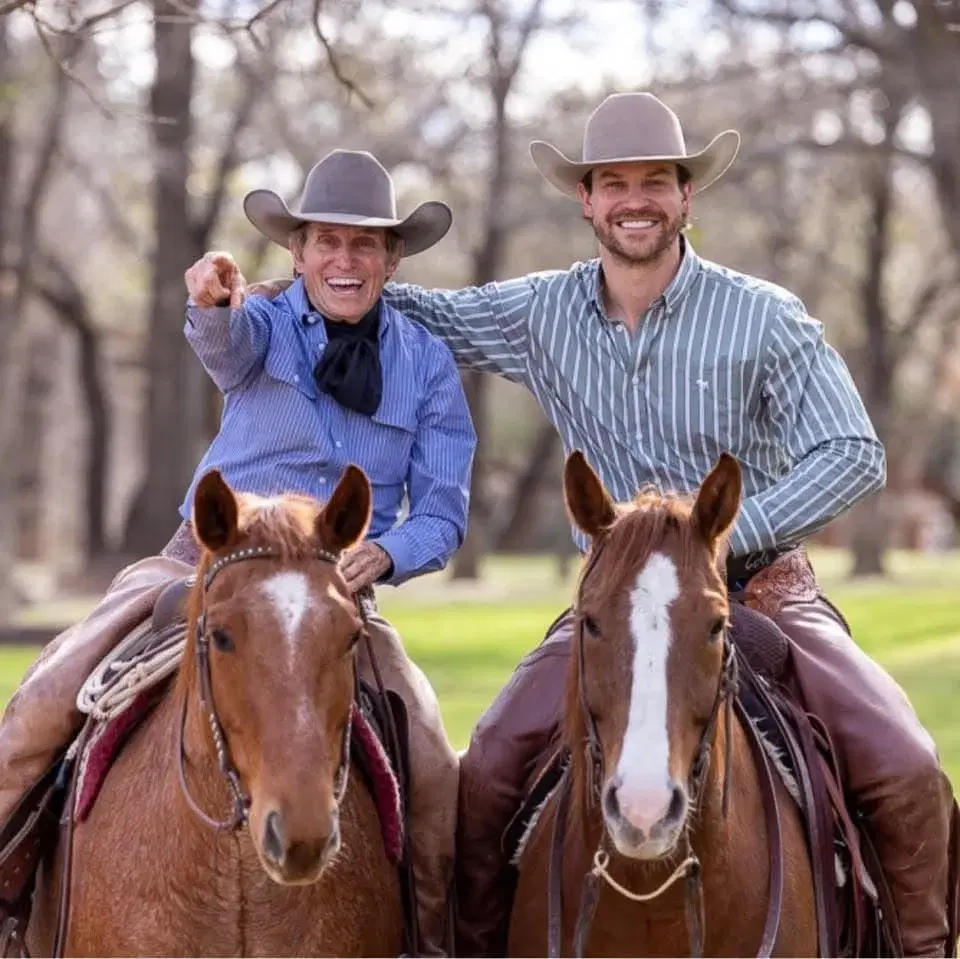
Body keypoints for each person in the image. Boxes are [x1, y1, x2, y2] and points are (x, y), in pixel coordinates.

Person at [247, 92, 954, 956]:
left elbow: (854, 452)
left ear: (686, 195)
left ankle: (922, 946)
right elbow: (421, 313)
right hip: (612, 605)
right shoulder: (544, 313)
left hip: (760, 590)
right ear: (585, 198)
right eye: (613, 183)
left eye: (655, 181)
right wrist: (298, 289)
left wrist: (723, 534)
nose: (634, 200)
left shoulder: (764, 316)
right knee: (491, 768)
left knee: (907, 766)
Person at [0, 149, 475, 957]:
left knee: (433, 761)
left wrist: (387, 555)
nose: (345, 260)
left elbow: (441, 509)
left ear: (393, 258)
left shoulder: (426, 364)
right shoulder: (263, 319)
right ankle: (12, 897)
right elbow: (223, 345)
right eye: (327, 241)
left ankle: (434, 939)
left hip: (333, 584)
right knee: (47, 697)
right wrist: (212, 302)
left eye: (366, 245)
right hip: (203, 558)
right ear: (298, 252)